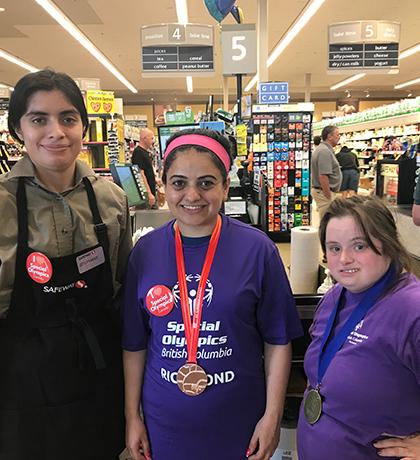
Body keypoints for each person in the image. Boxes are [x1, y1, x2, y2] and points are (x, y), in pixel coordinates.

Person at [122, 128, 303, 460]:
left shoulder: (257, 249)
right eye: (179, 183)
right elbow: (134, 344)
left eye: (206, 183)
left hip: (239, 420)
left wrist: (272, 417)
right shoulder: (145, 252)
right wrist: (132, 417)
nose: (192, 195)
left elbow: (277, 339)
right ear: (163, 184)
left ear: (224, 184)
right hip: (165, 422)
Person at [0, 69, 132, 460]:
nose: (55, 131)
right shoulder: (3, 205)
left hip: (99, 369)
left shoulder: (110, 199)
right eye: (39, 119)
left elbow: (121, 285)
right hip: (23, 379)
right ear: (17, 130)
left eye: (68, 118)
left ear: (83, 127)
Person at [297, 196, 420, 460]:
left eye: (359, 245)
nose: (344, 259)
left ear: (387, 244)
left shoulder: (412, 310)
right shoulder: (334, 298)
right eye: (334, 248)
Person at [311, 125, 342, 219]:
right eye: (337, 134)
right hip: (324, 192)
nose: (339, 137)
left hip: (324, 191)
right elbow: (323, 176)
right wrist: (328, 196)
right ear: (329, 136)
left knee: (327, 220)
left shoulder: (324, 149)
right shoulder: (324, 151)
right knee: (327, 221)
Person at [132, 127, 157, 208]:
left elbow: (146, 171)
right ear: (144, 138)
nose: (152, 141)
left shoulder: (145, 152)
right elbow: (140, 174)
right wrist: (149, 193)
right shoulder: (138, 153)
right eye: (151, 138)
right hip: (145, 197)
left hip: (150, 194)